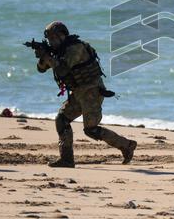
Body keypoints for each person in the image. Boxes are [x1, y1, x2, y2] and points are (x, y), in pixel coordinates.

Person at [33, 21, 135, 168]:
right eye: (49, 40)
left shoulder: (75, 48)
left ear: (62, 36)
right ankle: (67, 159)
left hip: (92, 92)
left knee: (91, 130)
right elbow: (40, 69)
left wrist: (48, 57)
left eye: (54, 39)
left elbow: (63, 70)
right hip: (79, 93)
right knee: (62, 119)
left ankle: (127, 145)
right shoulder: (58, 52)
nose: (52, 42)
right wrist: (43, 56)